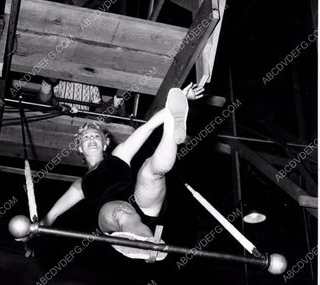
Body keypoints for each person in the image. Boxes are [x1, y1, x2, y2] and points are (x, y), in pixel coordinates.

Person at [25, 83, 204, 261]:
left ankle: (172, 126)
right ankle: (145, 241)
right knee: (123, 212)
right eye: (86, 137)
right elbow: (52, 215)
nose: (92, 139)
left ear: (104, 144)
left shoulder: (120, 154)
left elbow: (148, 127)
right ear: (79, 148)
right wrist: (33, 232)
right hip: (111, 213)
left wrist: (179, 101)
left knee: (152, 172)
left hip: (140, 200)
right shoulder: (80, 184)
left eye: (96, 136)